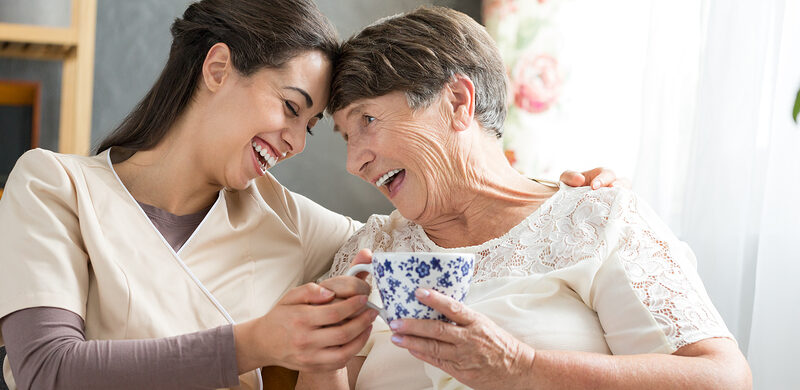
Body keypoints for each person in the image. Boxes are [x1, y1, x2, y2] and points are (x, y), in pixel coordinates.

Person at [0, 1, 613, 389]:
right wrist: (255, 343)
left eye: (310, 125)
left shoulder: (293, 224)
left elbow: (431, 232)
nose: (294, 141)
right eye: (290, 107)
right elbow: (46, 369)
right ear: (218, 68)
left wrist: (547, 198)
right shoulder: (56, 185)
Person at [297, 6, 752, 390]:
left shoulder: (596, 216)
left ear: (458, 101)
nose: (354, 162)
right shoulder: (370, 250)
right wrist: (322, 359)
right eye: (346, 137)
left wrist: (522, 368)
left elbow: (722, 378)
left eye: (368, 121)